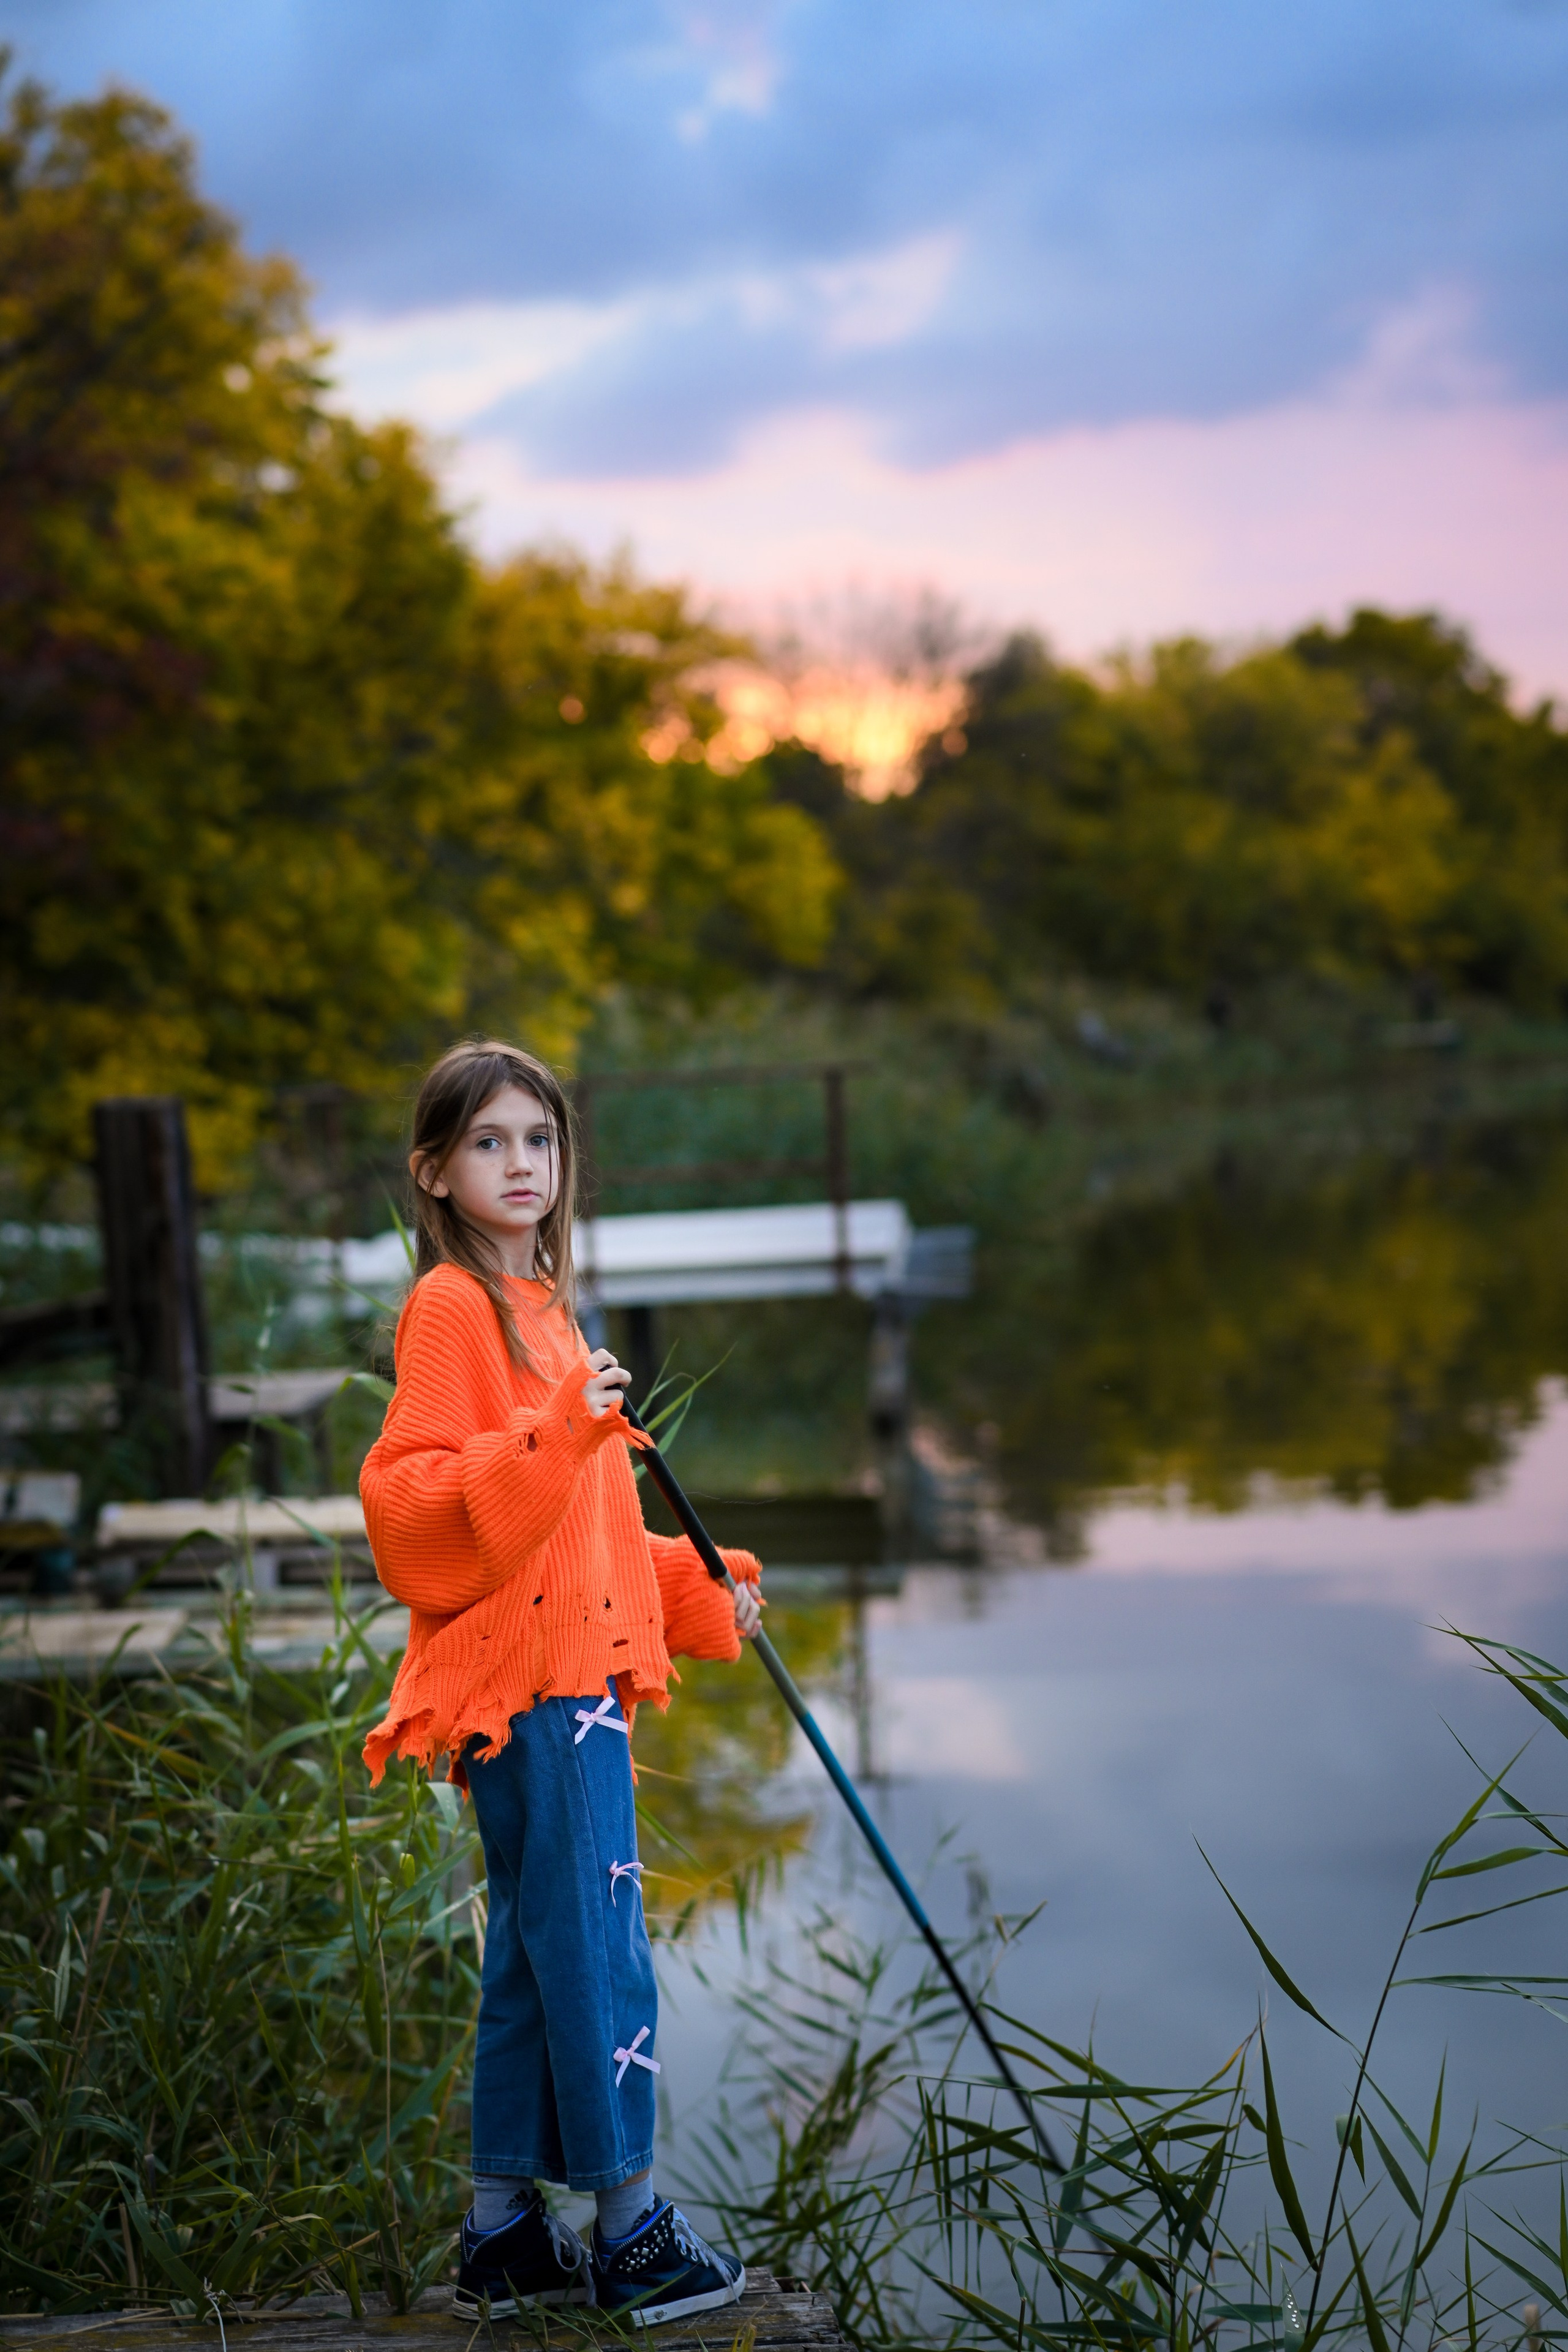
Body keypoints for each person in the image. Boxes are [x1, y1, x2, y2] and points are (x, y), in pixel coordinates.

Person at [359, 1038, 764, 2326]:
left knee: (540, 1959)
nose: (519, 1164)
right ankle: (629, 2227)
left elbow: (572, 1530)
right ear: (434, 1170)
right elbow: (416, 1511)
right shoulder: (452, 1310)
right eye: (487, 1143)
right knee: (594, 1950)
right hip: (528, 1694)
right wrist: (556, 1427)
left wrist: (703, 1592)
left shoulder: (543, 1309)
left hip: (564, 1678)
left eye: (537, 1139)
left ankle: (502, 2236)